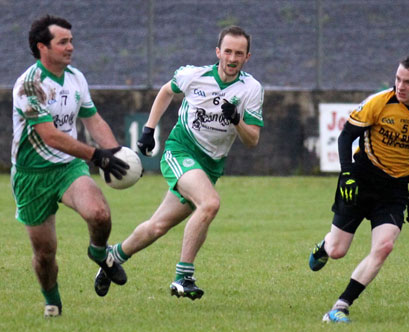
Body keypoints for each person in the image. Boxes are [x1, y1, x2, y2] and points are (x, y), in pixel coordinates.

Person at [93, 25, 264, 300]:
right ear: (218, 51)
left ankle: (112, 257)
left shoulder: (251, 89)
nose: (232, 58)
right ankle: (184, 276)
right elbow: (166, 91)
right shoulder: (193, 75)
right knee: (210, 204)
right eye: (228, 51)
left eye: (239, 54)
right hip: (180, 151)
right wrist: (149, 129)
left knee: (157, 226)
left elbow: (252, 140)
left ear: (248, 57)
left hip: (209, 166)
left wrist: (237, 120)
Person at [308, 54, 409, 323]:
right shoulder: (379, 102)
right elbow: (346, 135)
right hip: (361, 178)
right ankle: (324, 246)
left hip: (394, 191)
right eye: (397, 79)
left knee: (384, 247)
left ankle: (340, 306)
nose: (400, 86)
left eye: (408, 82)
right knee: (337, 251)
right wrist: (346, 174)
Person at [11, 15, 130, 317]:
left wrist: (116, 155)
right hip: (31, 176)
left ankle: (98, 252)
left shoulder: (76, 77)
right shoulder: (29, 85)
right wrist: (95, 155)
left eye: (71, 41)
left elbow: (93, 119)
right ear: (42, 47)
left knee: (99, 214)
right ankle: (53, 302)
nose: (70, 47)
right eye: (63, 42)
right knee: (45, 253)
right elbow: (49, 135)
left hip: (68, 168)